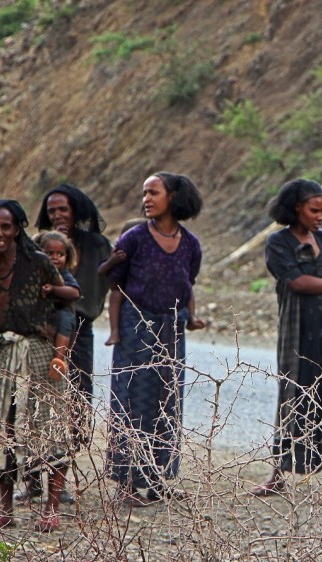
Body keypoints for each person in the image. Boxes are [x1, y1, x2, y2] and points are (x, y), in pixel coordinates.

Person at [252, 179, 322, 502]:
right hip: (300, 335)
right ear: (296, 208)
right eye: (314, 210)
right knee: (293, 396)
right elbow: (297, 282)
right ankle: (279, 474)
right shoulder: (279, 243)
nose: (320, 216)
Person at [0, 200, 69, 532]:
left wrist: (59, 353)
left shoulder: (37, 262)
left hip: (40, 351)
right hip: (6, 354)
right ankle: (6, 507)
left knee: (49, 424)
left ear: (18, 229)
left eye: (5, 227)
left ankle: (51, 508)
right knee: (4, 427)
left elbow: (66, 300)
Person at [105, 172, 205, 506]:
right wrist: (117, 331)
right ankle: (127, 485)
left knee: (167, 405)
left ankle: (159, 481)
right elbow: (115, 287)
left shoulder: (190, 244)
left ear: (173, 197)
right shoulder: (134, 238)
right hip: (136, 328)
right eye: (144, 193)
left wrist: (190, 319)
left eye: (154, 193)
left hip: (171, 331)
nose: (147, 199)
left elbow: (187, 284)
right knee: (132, 403)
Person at [33, 184, 111, 504]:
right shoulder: (38, 246)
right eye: (52, 211)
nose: (57, 216)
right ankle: (33, 477)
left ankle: (58, 476)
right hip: (41, 330)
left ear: (76, 210)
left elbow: (107, 281)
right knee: (38, 403)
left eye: (63, 209)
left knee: (75, 403)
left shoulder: (96, 246)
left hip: (80, 330)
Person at [34, 231, 82, 379]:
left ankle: (58, 360)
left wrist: (54, 289)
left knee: (66, 319)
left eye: (60, 254)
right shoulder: (34, 272)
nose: (55, 258)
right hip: (39, 314)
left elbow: (74, 293)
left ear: (67, 257)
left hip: (60, 310)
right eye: (49, 253)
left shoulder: (64, 274)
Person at [98, 218, 147, 346]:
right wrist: (112, 261)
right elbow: (101, 271)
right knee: (115, 295)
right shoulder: (118, 253)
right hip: (122, 288)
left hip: (142, 293)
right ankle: (114, 332)